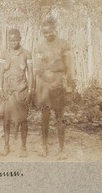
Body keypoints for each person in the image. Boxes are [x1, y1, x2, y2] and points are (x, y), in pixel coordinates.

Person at [34, 17, 75, 159]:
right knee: (44, 117)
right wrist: (43, 79)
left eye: (49, 32)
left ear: (54, 29)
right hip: (45, 87)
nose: (47, 35)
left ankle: (61, 148)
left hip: (59, 85)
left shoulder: (64, 44)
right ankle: (44, 147)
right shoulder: (40, 46)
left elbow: (68, 66)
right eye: (44, 33)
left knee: (60, 117)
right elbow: (38, 68)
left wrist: (69, 83)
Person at [0, 28, 33, 158]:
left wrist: (30, 90)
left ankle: (23, 147)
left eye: (16, 39)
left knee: (23, 119)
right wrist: (1, 89)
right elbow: (1, 72)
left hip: (21, 91)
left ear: (20, 39)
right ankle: (6, 145)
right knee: (6, 119)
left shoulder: (26, 54)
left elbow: (30, 72)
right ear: (8, 40)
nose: (13, 42)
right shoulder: (4, 54)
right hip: (8, 92)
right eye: (11, 40)